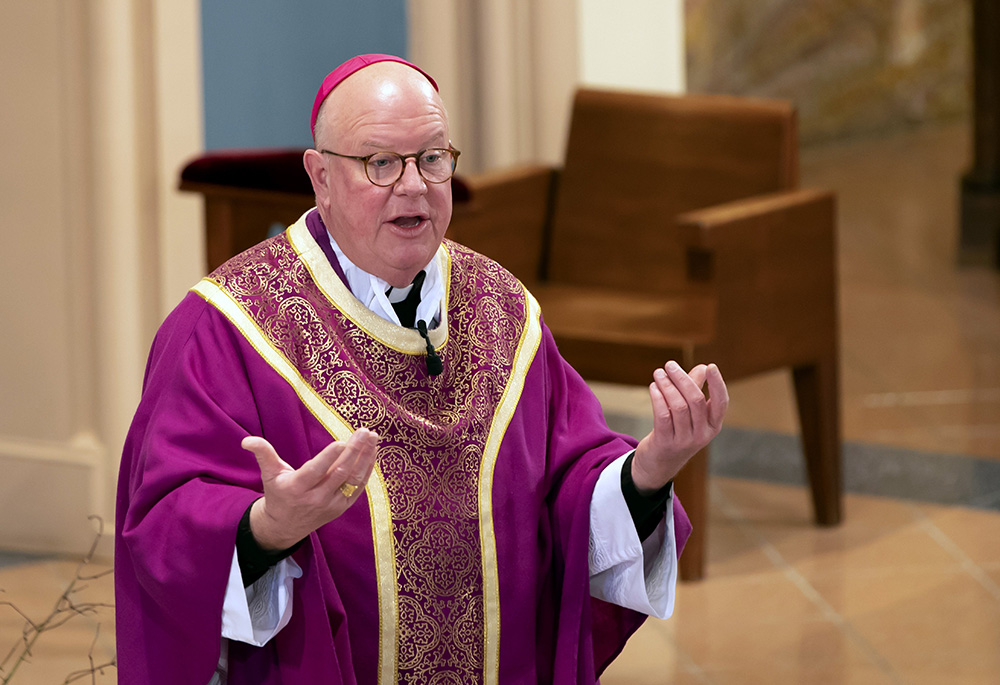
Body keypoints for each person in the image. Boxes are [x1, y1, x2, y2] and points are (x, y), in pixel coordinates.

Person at [115, 54, 728, 684]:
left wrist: (649, 471)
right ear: (320, 176)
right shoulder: (226, 328)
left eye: (432, 158)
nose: (413, 186)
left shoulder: (503, 311)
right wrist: (266, 529)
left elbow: (567, 491)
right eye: (380, 163)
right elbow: (163, 525)